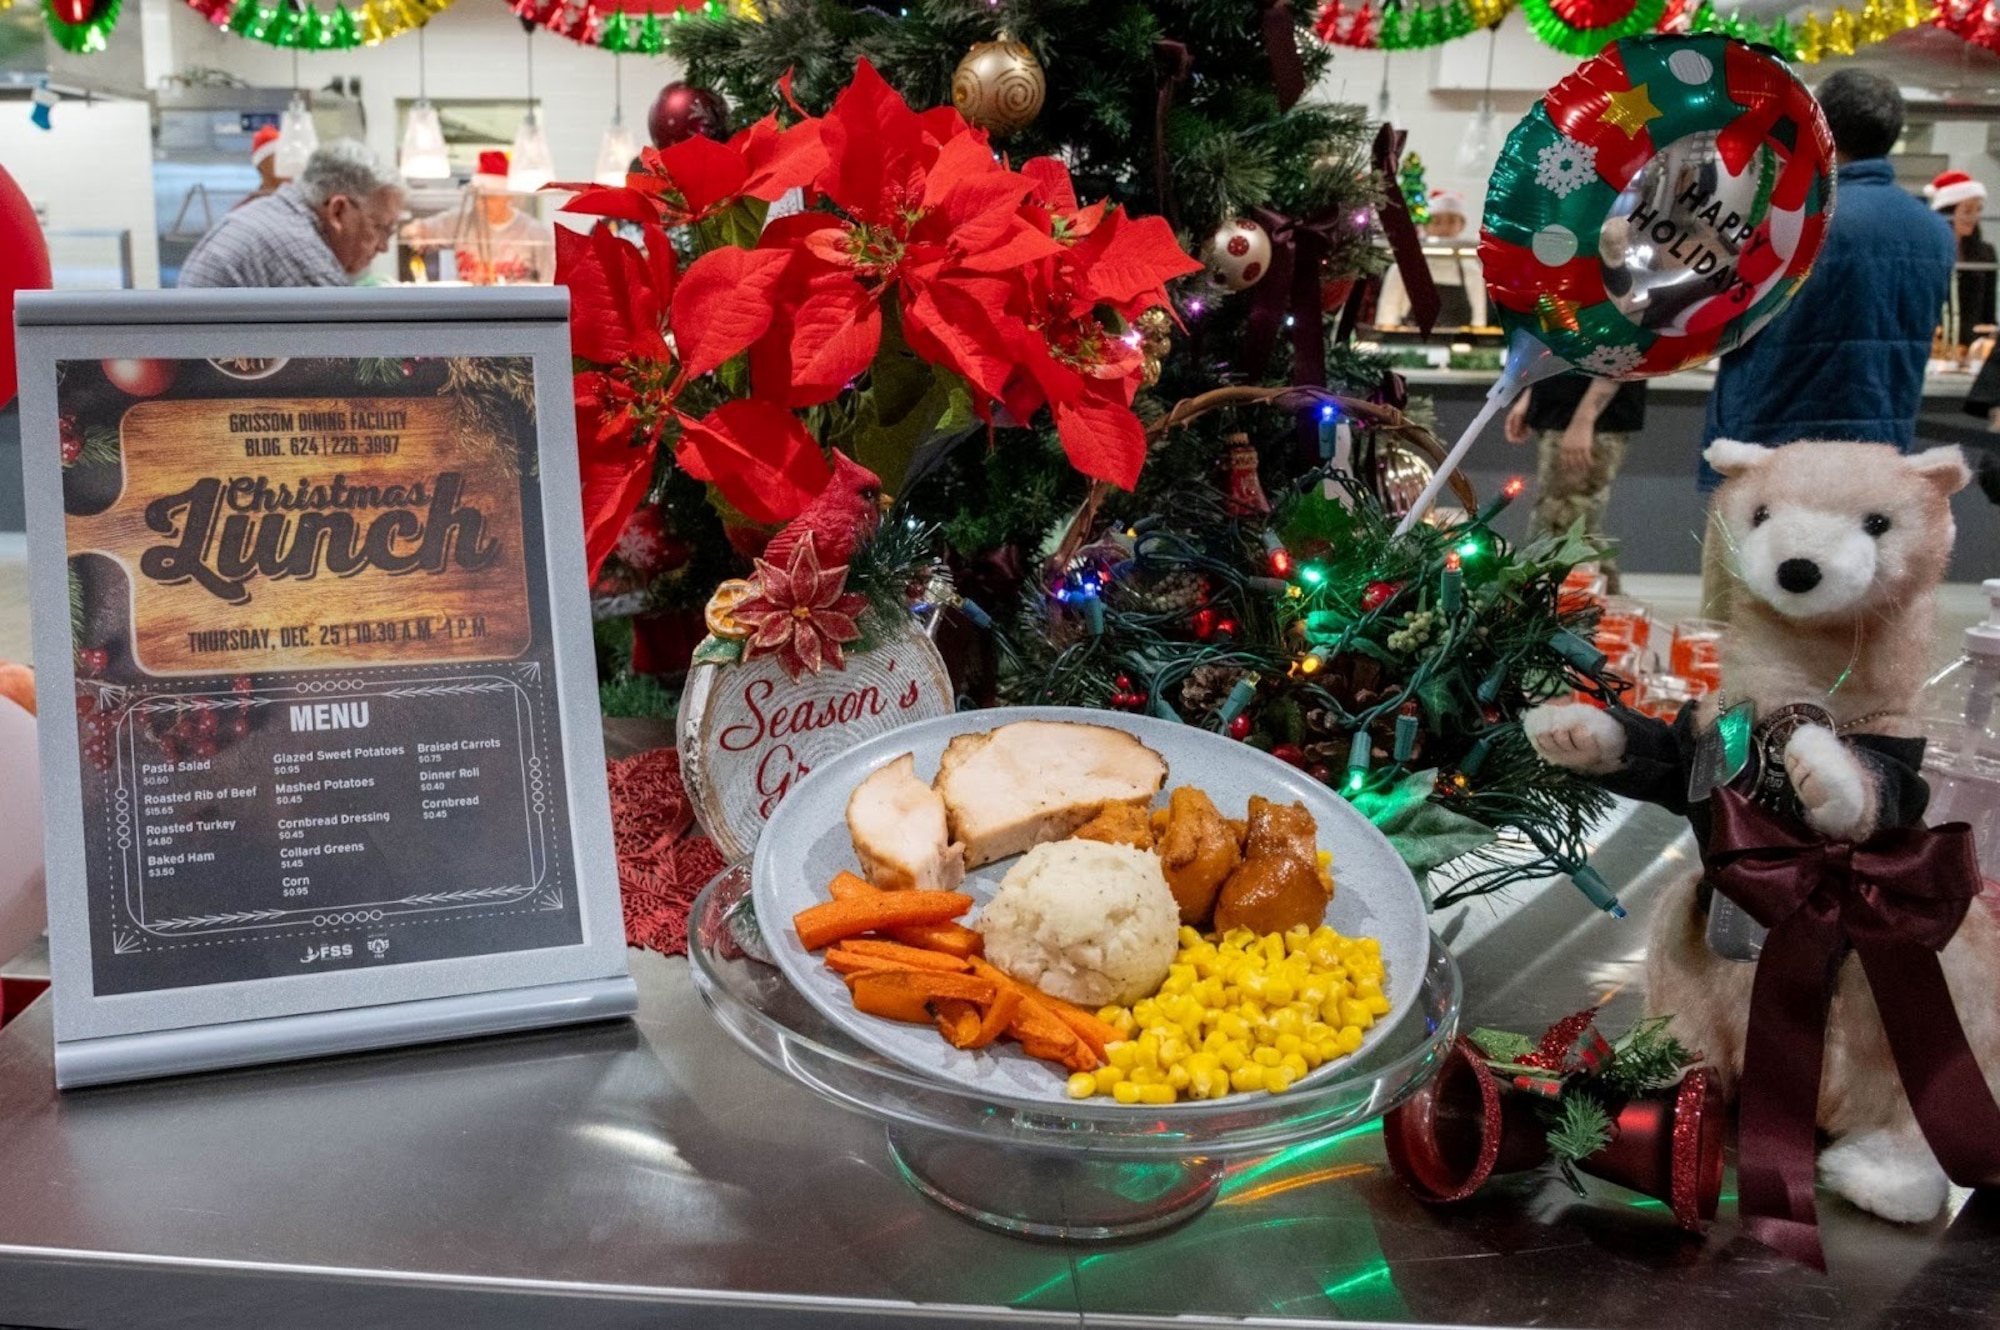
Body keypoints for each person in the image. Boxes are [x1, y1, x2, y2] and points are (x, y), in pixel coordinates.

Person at [1697, 68, 1954, 615]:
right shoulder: (1933, 231)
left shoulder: (1790, 216)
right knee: (1854, 646)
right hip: (1874, 479)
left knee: (1742, 640)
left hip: (1772, 460)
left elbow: (1715, 322)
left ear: (1821, 128)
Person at [178, 139, 405, 289]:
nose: (384, 246)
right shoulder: (300, 254)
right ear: (337, 210)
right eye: (380, 227)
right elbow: (343, 355)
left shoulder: (277, 214)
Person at [1504, 373, 1646, 592]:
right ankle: (1611, 611)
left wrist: (1584, 418)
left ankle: (1610, 612)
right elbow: (1563, 348)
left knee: (1561, 527)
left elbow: (1623, 353)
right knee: (1570, 525)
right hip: (1562, 411)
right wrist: (1532, 396)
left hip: (1591, 420)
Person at [402, 151, 555, 285]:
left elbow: (552, 282)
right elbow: (412, 231)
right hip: (471, 309)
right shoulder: (460, 220)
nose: (481, 204)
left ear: (508, 196)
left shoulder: (535, 233)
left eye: (490, 198)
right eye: (478, 198)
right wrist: (415, 234)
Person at [1373, 187, 1488, 329]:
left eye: (1451, 221)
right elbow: (1387, 313)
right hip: (1410, 345)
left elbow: (1479, 320)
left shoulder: (1471, 269)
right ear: (1425, 226)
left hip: (1459, 345)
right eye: (1437, 222)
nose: (1444, 228)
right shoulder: (1405, 267)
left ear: (1462, 225)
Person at [1927, 169, 1995, 351]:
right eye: (1967, 210)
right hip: (1935, 344)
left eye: (1978, 210)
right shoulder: (1929, 251)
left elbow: (1988, 310)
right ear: (1948, 211)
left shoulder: (1985, 254)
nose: (1974, 217)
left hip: (1973, 347)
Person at [231, 125, 286, 211]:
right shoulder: (245, 209)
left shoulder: (301, 204)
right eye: (278, 159)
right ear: (261, 166)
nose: (285, 165)